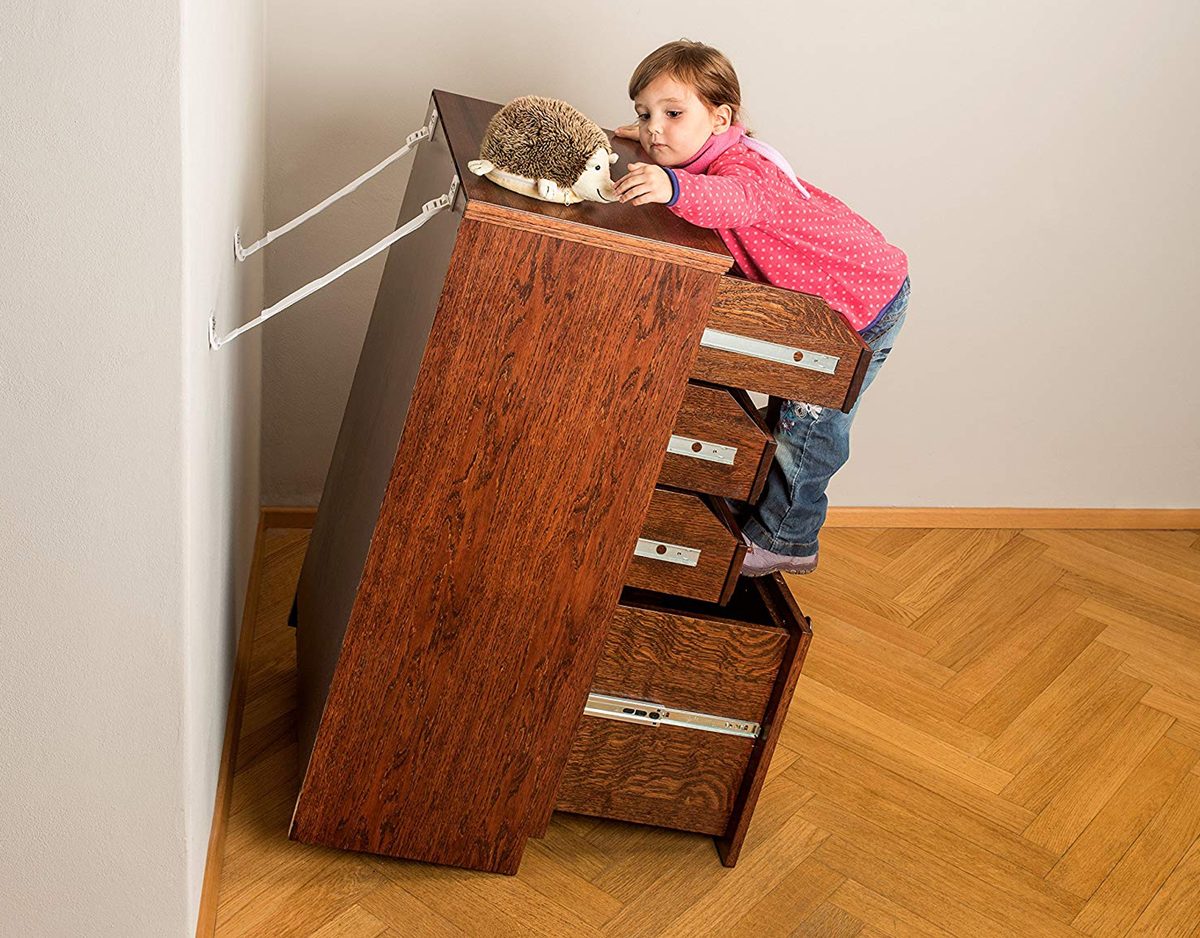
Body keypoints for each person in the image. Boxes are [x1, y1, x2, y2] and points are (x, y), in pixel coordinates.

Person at [613, 39, 910, 577]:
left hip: (865, 301)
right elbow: (687, 155)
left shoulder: (745, 171)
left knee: (810, 425)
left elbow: (730, 201)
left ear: (721, 117)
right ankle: (765, 511)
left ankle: (788, 539)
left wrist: (670, 183)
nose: (655, 127)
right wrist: (654, 140)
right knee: (788, 416)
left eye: (672, 113)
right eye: (644, 113)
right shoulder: (706, 148)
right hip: (837, 301)